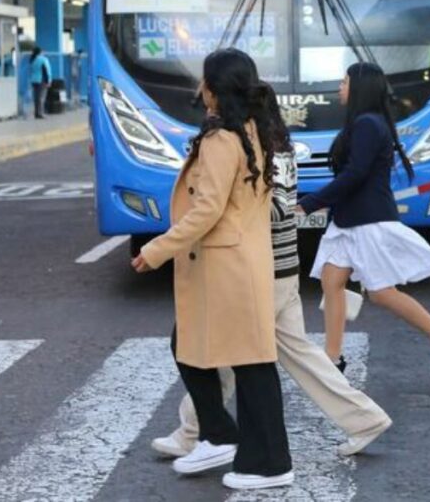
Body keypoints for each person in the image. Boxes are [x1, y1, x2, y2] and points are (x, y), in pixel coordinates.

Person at [152, 86, 392, 462]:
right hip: (281, 268)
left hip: (262, 270)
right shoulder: (276, 145)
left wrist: (233, 216)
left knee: (228, 352)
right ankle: (364, 419)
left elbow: (276, 208)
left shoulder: (262, 151)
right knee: (285, 354)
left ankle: (197, 433)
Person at [131, 48, 293, 491]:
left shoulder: (223, 139)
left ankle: (269, 463)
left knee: (251, 363)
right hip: (235, 261)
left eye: (204, 81)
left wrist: (157, 250)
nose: (199, 89)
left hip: (227, 264)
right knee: (201, 346)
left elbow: (206, 210)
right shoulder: (253, 130)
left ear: (215, 88)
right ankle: (221, 435)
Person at [296, 62, 430, 380]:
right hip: (349, 220)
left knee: (381, 293)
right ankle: (332, 358)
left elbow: (355, 174)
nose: (340, 88)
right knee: (331, 282)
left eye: (345, 82)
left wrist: (310, 203)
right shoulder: (365, 123)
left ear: (360, 88)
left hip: (366, 220)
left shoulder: (368, 125)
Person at [29, 46, 52, 119]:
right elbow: (46, 71)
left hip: (34, 80)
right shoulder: (43, 60)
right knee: (41, 97)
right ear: (40, 52)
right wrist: (48, 81)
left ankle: (36, 112)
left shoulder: (32, 59)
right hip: (41, 80)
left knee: (36, 97)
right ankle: (40, 113)